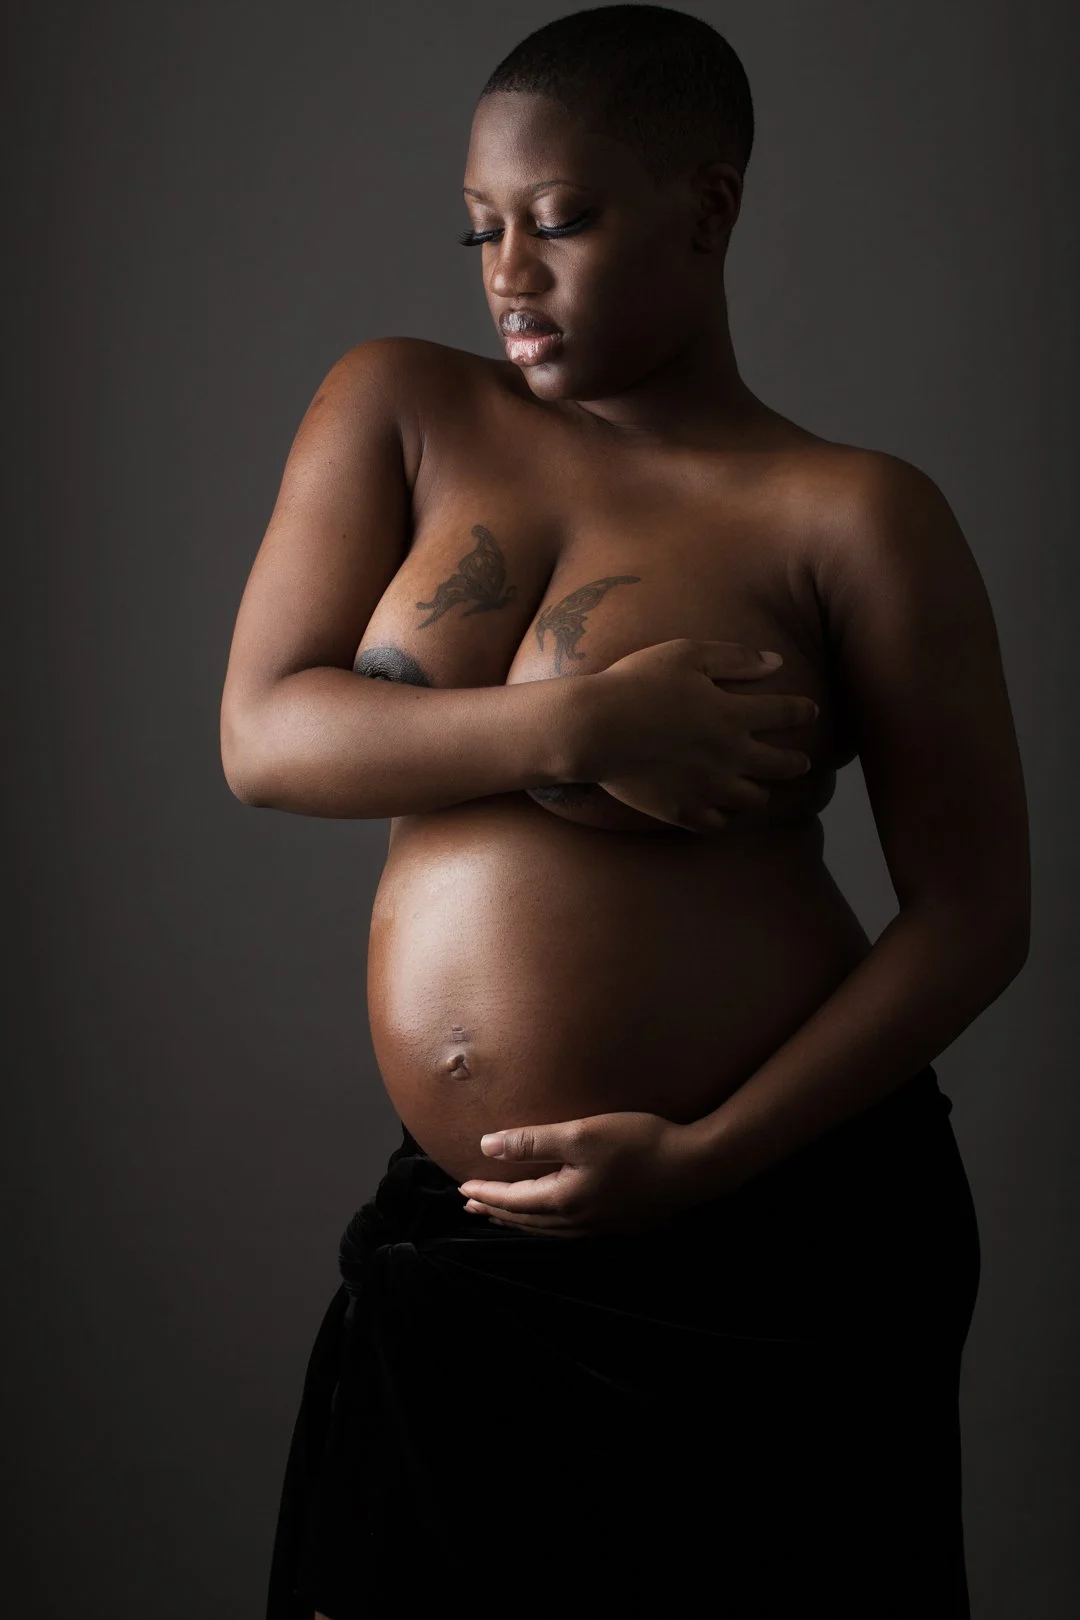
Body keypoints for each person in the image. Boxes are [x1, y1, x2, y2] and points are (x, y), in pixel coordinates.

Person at [219, 7, 1029, 1617]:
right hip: (473, 1243)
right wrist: (581, 721)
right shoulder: (403, 406)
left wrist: (710, 1158)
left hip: (775, 1239)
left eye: (565, 221)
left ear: (708, 208)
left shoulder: (854, 513)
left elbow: (977, 914)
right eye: (482, 227)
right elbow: (266, 737)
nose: (509, 271)